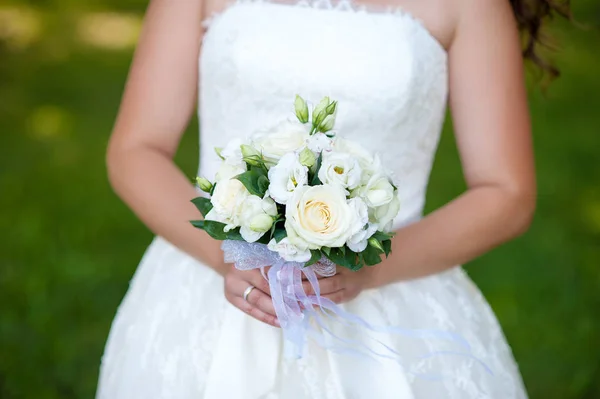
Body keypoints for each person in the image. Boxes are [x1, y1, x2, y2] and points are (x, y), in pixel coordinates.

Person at [96, 0, 569, 397]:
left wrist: (372, 267)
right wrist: (228, 257)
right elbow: (137, 148)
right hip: (206, 282)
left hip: (394, 290)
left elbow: (506, 192)